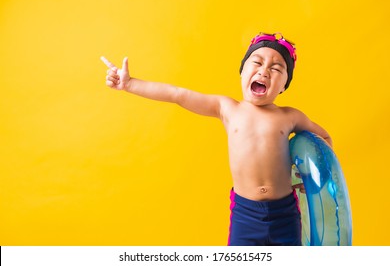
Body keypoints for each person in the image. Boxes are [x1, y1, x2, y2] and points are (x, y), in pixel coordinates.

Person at [101, 32, 332, 246]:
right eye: (257, 62)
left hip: (285, 213)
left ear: (284, 85)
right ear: (242, 71)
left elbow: (324, 138)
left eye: (276, 68)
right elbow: (178, 95)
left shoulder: (289, 116)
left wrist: (315, 176)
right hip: (246, 213)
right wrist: (130, 84)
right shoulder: (227, 108)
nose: (264, 71)